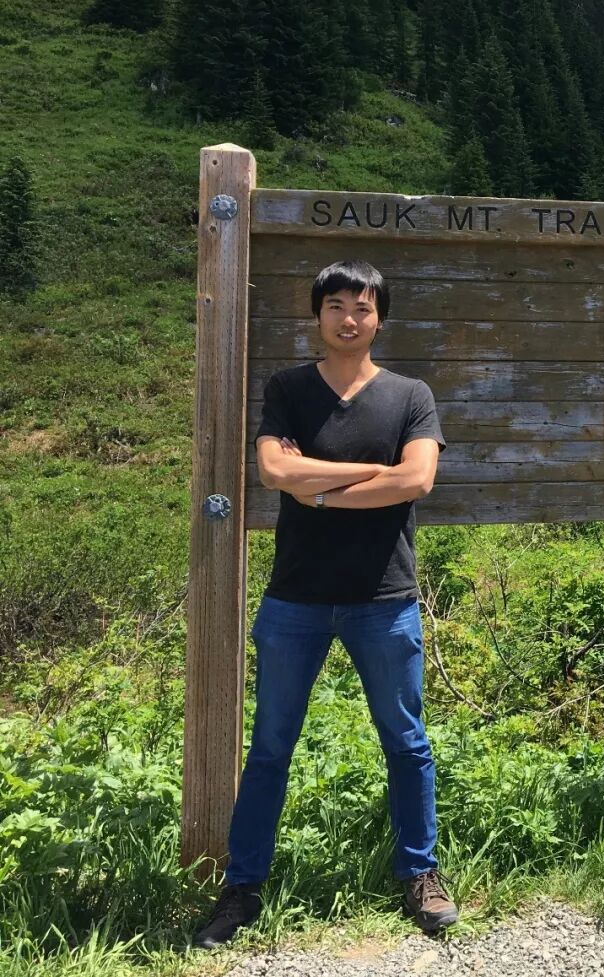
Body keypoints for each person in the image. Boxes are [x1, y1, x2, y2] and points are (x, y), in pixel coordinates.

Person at [193, 259, 457, 949]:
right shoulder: (288, 388)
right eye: (335, 305)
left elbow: (418, 479)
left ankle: (420, 874)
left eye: (362, 307)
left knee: (407, 742)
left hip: (384, 598)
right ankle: (242, 886)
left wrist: (316, 489)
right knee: (270, 746)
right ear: (317, 315)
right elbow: (274, 470)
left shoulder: (410, 395)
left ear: (380, 318)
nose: (349, 318)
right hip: (296, 599)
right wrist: (370, 472)